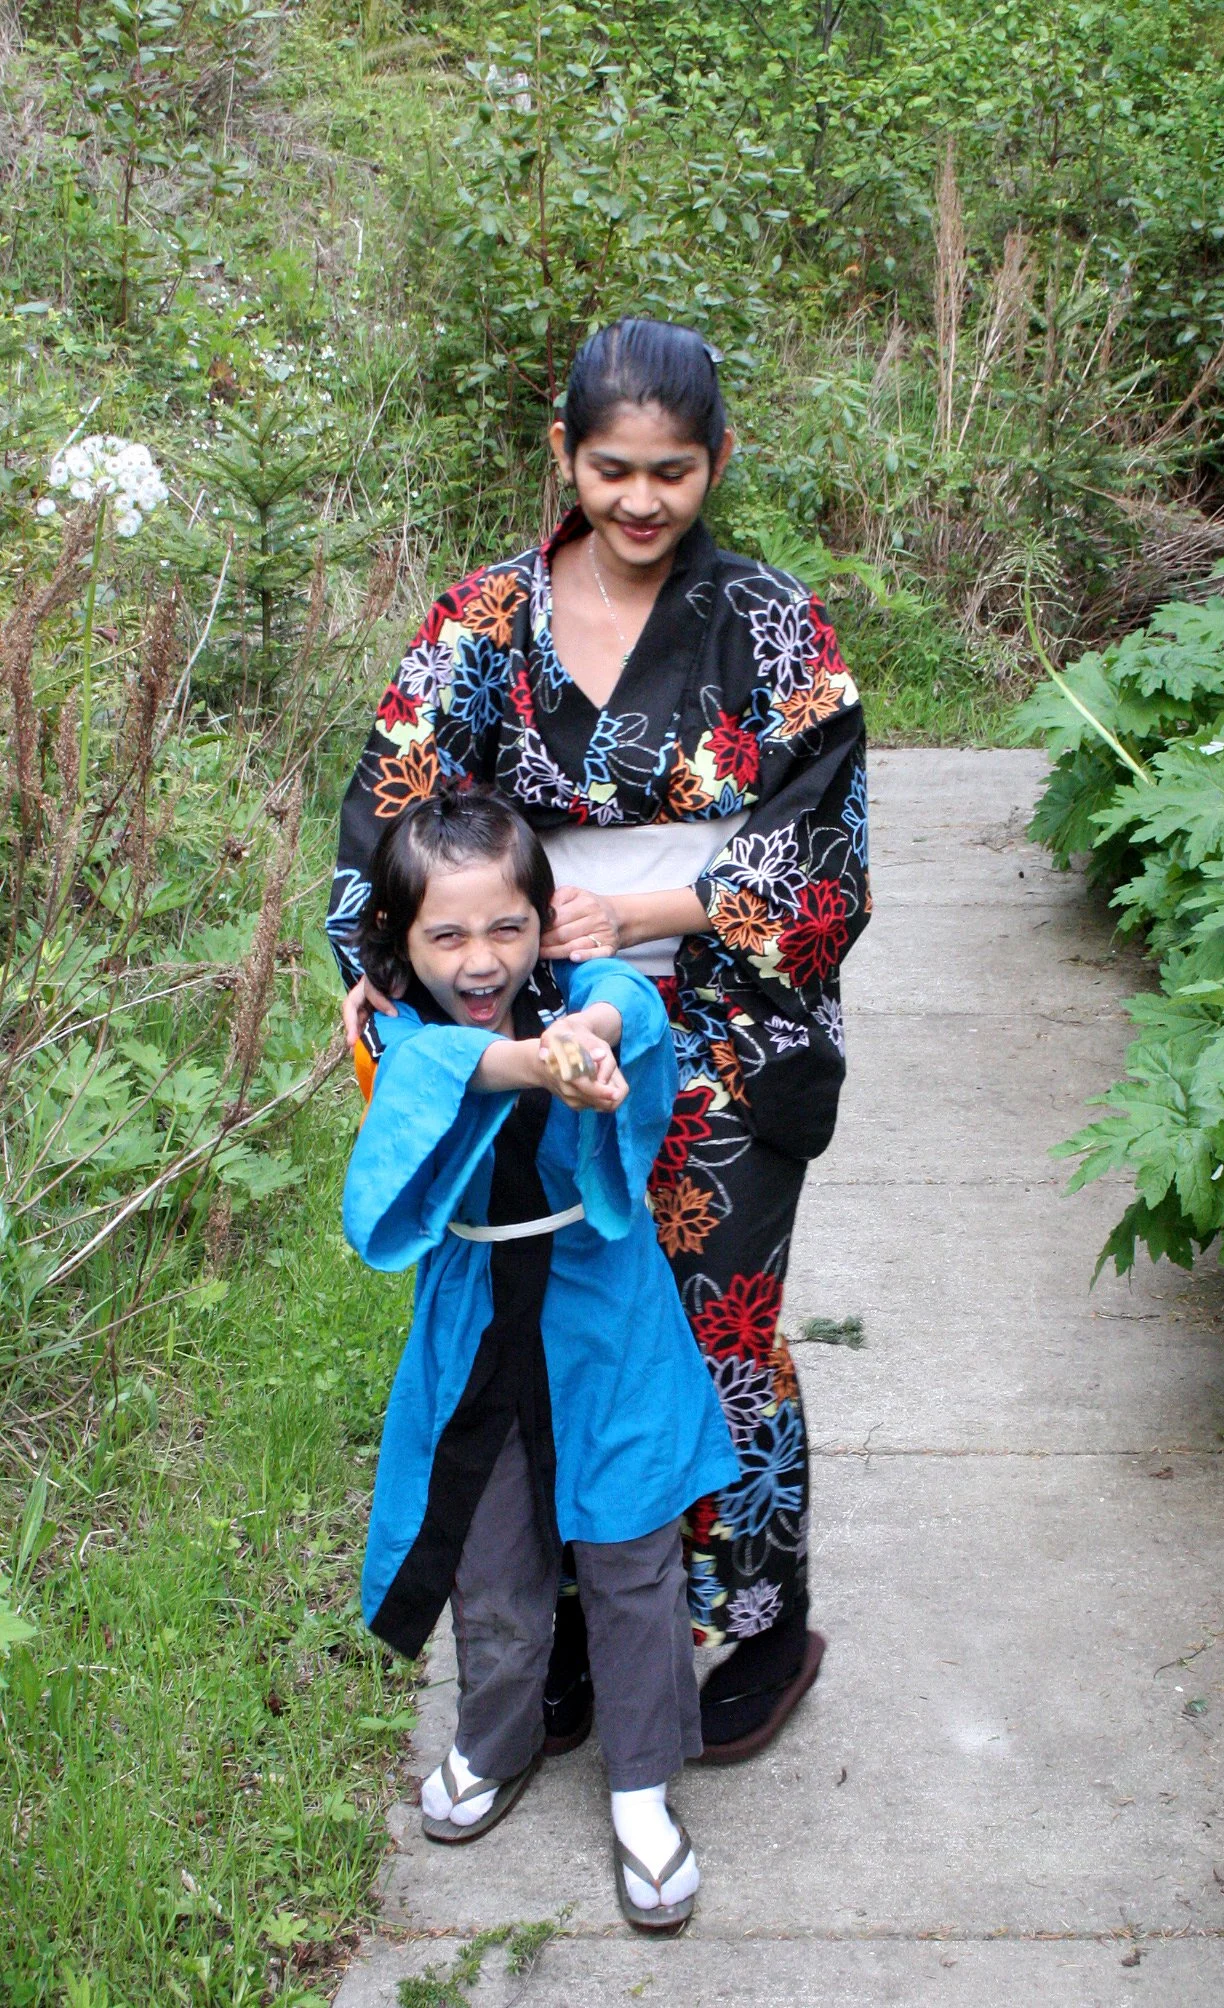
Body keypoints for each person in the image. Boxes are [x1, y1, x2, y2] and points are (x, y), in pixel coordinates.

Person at [330, 316, 870, 1763]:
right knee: (545, 1323)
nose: (643, 502)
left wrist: (642, 902)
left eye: (674, 474)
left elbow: (827, 858)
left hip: (731, 1033)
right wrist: (377, 966)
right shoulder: (477, 622)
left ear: (716, 465)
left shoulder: (774, 623)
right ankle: (577, 1626)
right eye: (615, 469)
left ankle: (757, 1616)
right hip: (529, 1026)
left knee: (714, 1328)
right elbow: (389, 809)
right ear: (567, 457)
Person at [344, 785, 739, 1932]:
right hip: (478, 1320)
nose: (480, 959)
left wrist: (592, 1035)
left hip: (602, 1316)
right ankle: (496, 1737)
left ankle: (643, 1780)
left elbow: (627, 1002)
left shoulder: (582, 998)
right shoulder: (396, 1028)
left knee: (630, 1553)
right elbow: (432, 1082)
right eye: (447, 934)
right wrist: (541, 1065)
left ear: (546, 917)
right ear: (399, 941)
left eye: (507, 927)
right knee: (492, 1555)